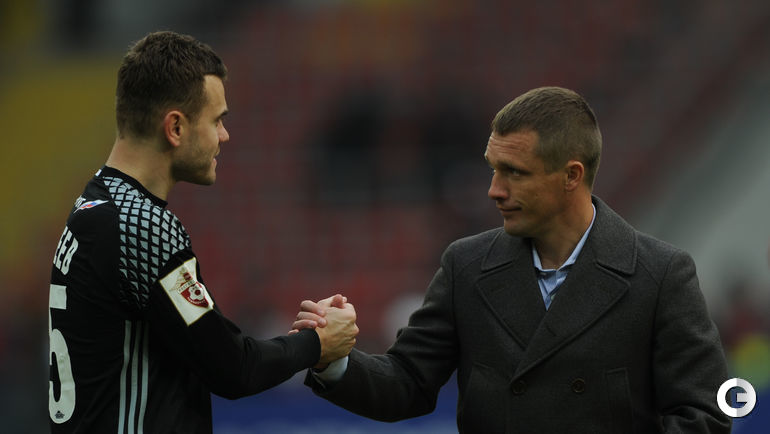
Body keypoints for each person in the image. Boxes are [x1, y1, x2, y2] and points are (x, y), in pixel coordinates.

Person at [294, 87, 732, 433]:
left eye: (515, 173)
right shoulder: (466, 266)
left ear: (571, 176)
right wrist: (333, 358)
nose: (494, 190)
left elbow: (705, 414)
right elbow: (407, 383)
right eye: (493, 168)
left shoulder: (660, 274)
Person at [47, 31, 358, 434]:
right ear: (175, 127)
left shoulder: (93, 205)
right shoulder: (141, 227)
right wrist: (317, 344)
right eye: (217, 120)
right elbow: (233, 368)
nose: (224, 135)